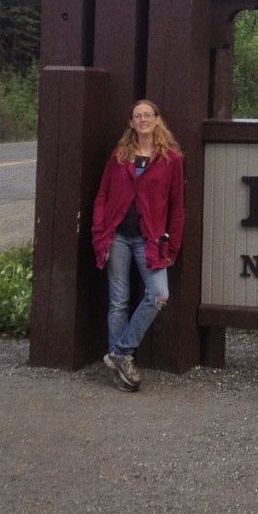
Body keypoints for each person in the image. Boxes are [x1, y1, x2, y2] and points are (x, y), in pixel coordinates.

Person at [90, 99, 185, 393]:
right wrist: (98, 231)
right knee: (118, 301)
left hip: (150, 239)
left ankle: (120, 352)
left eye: (147, 115)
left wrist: (172, 248)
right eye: (137, 116)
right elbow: (103, 196)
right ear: (131, 123)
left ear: (157, 120)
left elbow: (177, 207)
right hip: (116, 236)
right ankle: (122, 370)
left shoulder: (171, 159)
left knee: (158, 295)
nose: (142, 119)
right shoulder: (120, 156)